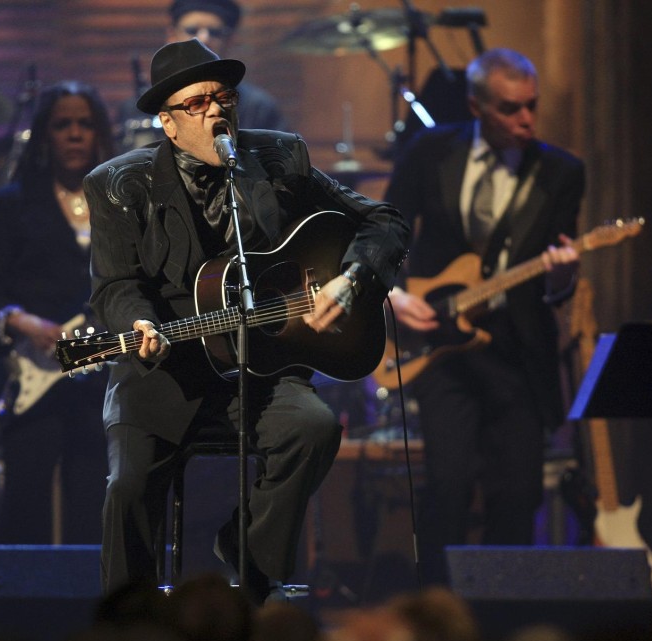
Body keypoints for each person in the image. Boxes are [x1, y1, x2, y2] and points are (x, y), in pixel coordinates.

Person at [84, 38, 409, 605]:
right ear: (166, 122)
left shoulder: (282, 160)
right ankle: (125, 617)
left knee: (315, 429)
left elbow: (382, 220)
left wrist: (352, 279)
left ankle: (249, 569)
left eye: (223, 97)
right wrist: (138, 324)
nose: (215, 111)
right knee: (129, 484)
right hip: (165, 367)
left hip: (263, 366)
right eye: (196, 104)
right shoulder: (117, 185)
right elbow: (116, 285)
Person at [383, 48, 584, 581]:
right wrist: (394, 295)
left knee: (517, 496)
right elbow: (383, 235)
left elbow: (554, 282)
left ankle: (505, 627)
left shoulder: (561, 172)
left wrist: (563, 276)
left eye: (532, 107)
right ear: (476, 106)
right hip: (439, 347)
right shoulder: (430, 152)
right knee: (447, 487)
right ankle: (435, 619)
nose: (526, 121)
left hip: (516, 352)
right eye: (510, 109)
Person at [0, 80, 116, 544]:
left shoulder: (120, 203)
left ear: (99, 135)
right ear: (45, 135)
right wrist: (21, 321)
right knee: (25, 499)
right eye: (62, 125)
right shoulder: (11, 204)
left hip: (99, 374)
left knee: (93, 496)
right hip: (34, 373)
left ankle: (93, 610)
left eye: (85, 124)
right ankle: (19, 613)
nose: (74, 134)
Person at [117, 0, 288, 151]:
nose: (203, 38)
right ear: (172, 34)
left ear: (230, 39)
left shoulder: (259, 108)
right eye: (192, 30)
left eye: (214, 32)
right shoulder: (135, 108)